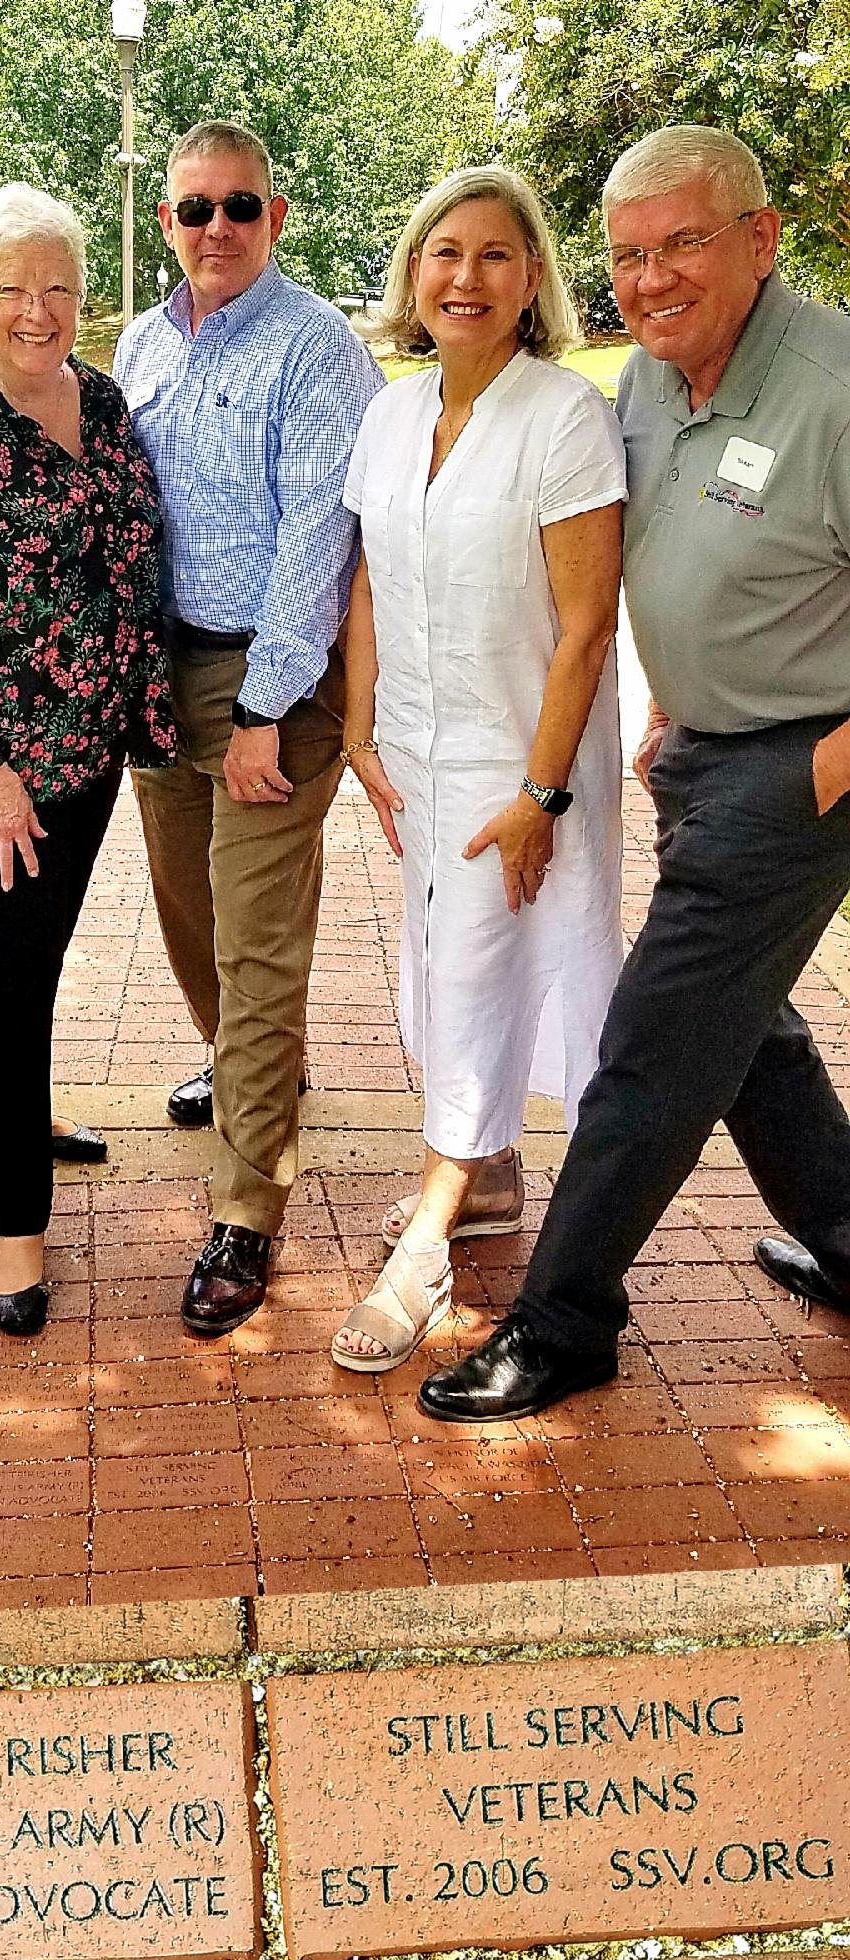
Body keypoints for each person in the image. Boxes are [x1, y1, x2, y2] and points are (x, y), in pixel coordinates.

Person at [421, 125, 850, 1424]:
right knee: (744, 1025)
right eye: (627, 254)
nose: (651, 279)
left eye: (682, 244)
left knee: (653, 1040)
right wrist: (683, 696)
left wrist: (823, 767)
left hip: (803, 770)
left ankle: (564, 1322)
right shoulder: (655, 381)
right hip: (707, 753)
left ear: (761, 239)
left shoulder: (833, 390)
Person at [330, 169, 626, 1371]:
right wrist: (360, 730)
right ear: (414, 273)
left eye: (496, 255)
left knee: (482, 969)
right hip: (417, 753)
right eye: (444, 253)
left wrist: (542, 794)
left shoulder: (565, 417)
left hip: (521, 762)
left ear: (532, 279)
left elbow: (587, 627)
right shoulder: (392, 416)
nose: (466, 277)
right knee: (444, 964)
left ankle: (429, 1241)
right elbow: (367, 580)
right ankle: (491, 1177)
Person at [0, 184, 174, 1335]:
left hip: (90, 745)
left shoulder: (98, 399)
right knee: (12, 973)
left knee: (39, 950)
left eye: (59, 285)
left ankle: (26, 1110)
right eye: (11, 287)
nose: (37, 308)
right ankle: (15, 1221)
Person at [112, 119, 383, 1336]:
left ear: (275, 216)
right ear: (168, 220)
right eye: (193, 208)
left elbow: (321, 538)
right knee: (188, 908)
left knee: (257, 933)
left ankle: (248, 1206)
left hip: (268, 679)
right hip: (160, 673)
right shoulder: (141, 343)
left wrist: (267, 706)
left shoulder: (316, 348)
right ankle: (249, 1067)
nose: (214, 227)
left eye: (238, 206)